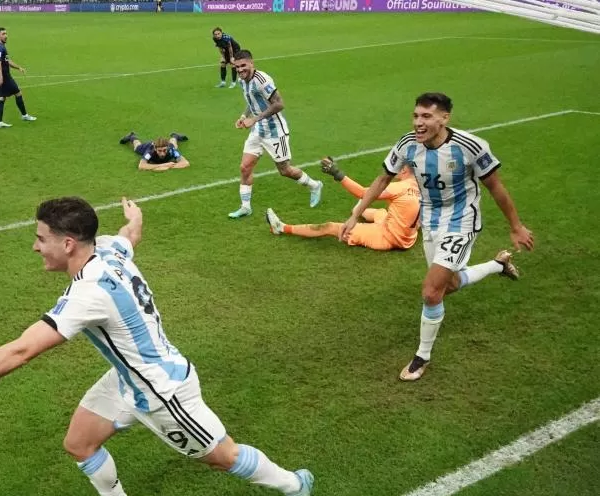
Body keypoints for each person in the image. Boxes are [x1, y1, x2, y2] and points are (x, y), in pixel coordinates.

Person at [0, 196, 314, 496]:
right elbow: (130, 237)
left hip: (164, 393)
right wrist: (135, 218)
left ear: (69, 243)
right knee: (79, 443)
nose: (36, 247)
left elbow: (20, 351)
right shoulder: (109, 248)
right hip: (127, 379)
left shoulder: (86, 294)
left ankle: (294, 483)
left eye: (41, 239)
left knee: (223, 458)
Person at [340, 92, 534, 381]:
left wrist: (516, 226)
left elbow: (496, 187)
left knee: (431, 291)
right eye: (416, 116)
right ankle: (498, 265)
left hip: (461, 221)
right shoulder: (407, 145)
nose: (419, 122)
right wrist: (355, 214)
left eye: (427, 116)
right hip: (430, 220)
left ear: (444, 118)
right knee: (448, 285)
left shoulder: (470, 146)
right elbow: (382, 179)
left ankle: (422, 357)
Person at [229, 49, 322, 218]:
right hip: (258, 131)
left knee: (285, 170)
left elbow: (279, 104)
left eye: (243, 66)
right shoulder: (242, 80)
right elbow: (252, 101)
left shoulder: (262, 80)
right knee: (245, 167)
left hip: (275, 131)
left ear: (251, 63)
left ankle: (315, 185)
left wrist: (255, 119)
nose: (240, 70)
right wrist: (244, 116)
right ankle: (245, 207)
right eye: (237, 67)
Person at [265, 156, 420, 251]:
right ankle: (358, 210)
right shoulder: (424, 188)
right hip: (408, 237)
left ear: (404, 171)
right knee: (377, 211)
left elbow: (363, 193)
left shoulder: (399, 187)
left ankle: (281, 227)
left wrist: (337, 173)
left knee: (330, 227)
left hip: (389, 237)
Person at [0, 28, 36, 128]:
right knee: (18, 93)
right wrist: (1, 77)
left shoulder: (0, 47)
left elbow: (7, 61)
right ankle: (24, 115)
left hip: (0, 76)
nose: (6, 35)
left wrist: (18, 67)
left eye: (6, 33)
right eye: (3, 34)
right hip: (4, 77)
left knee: (1, 98)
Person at [118, 131, 190, 171]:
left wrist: (169, 166)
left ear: (167, 148)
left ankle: (175, 136)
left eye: (164, 150)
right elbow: (141, 166)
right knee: (137, 148)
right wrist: (162, 165)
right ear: (155, 149)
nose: (162, 153)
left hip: (170, 146)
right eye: (160, 151)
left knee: (174, 145)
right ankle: (132, 137)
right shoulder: (150, 151)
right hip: (146, 146)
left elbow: (185, 163)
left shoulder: (171, 149)